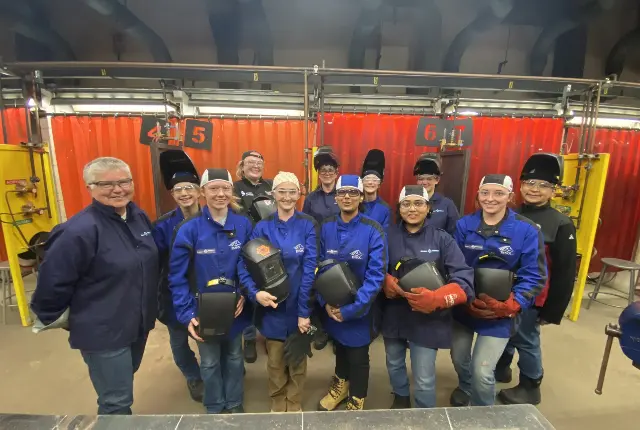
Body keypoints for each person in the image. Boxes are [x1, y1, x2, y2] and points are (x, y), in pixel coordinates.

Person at [30, 157, 159, 415]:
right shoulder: (79, 231)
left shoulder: (137, 216)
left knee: (124, 381)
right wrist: (72, 319)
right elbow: (51, 285)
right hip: (103, 331)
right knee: (116, 401)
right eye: (105, 184)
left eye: (124, 181)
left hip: (137, 324)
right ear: (89, 187)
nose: (118, 189)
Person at [449, 174, 547, 407]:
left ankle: (486, 415)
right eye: (485, 193)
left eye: (498, 193)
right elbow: (453, 265)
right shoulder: (464, 226)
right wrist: (464, 297)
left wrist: (514, 304)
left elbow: (535, 275)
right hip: (465, 307)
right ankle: (465, 386)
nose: (490, 199)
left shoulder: (527, 231)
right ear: (478, 194)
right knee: (459, 358)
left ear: (510, 197)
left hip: (500, 313)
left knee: (482, 371)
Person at [382, 185, 474, 409]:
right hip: (394, 313)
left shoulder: (442, 239)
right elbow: (370, 267)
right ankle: (401, 397)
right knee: (394, 363)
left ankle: (425, 414)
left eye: (418, 203)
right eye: (406, 204)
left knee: (423, 376)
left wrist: (438, 298)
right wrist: (382, 280)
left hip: (428, 318)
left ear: (428, 207)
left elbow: (463, 279)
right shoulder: (386, 236)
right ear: (399, 207)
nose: (412, 209)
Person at [169, 168, 253, 414]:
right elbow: (177, 277)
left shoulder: (243, 224)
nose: (220, 193)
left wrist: (244, 295)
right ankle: (215, 406)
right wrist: (186, 314)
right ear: (202, 192)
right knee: (209, 361)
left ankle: (235, 402)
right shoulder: (189, 230)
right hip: (202, 312)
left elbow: (251, 265)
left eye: (225, 188)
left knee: (235, 357)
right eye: (213, 188)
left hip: (236, 309)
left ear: (231, 191)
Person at [496, 154, 577, 405]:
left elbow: (565, 271)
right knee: (506, 332)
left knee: (526, 338)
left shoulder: (560, 224)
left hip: (533, 295)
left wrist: (553, 310)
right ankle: (502, 368)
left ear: (554, 190)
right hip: (503, 291)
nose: (535, 189)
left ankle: (531, 384)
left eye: (543, 185)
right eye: (530, 183)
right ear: (519, 186)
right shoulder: (509, 214)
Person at [241, 172, 318, 412]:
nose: (287, 196)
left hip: (298, 304)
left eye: (292, 191)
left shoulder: (307, 225)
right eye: (281, 191)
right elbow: (245, 265)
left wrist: (304, 311)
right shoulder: (262, 228)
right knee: (275, 361)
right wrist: (255, 294)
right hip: (271, 307)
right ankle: (277, 400)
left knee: (297, 359)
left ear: (299, 194)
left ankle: (293, 403)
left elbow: (309, 269)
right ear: (273, 194)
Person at [316, 175, 387, 412]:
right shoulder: (325, 227)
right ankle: (340, 387)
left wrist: (352, 309)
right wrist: (324, 303)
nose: (347, 197)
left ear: (360, 197)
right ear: (335, 197)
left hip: (360, 310)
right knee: (341, 349)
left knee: (357, 355)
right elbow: (316, 267)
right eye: (342, 192)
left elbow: (376, 276)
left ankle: (357, 396)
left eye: (352, 193)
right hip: (332, 307)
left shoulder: (372, 230)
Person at [152, 169, 203, 402]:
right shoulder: (163, 225)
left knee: (208, 338)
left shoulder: (213, 218)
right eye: (178, 190)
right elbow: (157, 262)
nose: (184, 193)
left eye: (189, 188)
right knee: (179, 340)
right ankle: (193, 375)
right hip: (175, 293)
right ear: (172, 194)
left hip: (205, 293)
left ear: (199, 191)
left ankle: (216, 369)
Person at [233, 150, 273, 363]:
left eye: (259, 162)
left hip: (268, 249)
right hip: (245, 247)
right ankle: (249, 338)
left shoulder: (269, 187)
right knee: (249, 292)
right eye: (251, 162)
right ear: (242, 165)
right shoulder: (235, 188)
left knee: (268, 290)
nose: (255, 166)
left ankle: (267, 334)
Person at [302, 146, 340, 350]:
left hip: (339, 249)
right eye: (323, 170)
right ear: (318, 173)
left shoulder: (343, 194)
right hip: (316, 249)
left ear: (337, 173)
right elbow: (305, 224)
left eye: (330, 170)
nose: (327, 173)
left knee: (337, 288)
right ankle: (321, 330)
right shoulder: (311, 198)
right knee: (316, 289)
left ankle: (336, 331)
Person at [414, 153, 459, 234]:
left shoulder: (447, 205)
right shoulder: (409, 202)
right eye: (421, 178)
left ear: (437, 180)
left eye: (429, 179)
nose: (424, 182)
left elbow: (454, 234)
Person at [361, 149, 391, 232]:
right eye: (367, 179)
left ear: (380, 183)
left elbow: (385, 234)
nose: (370, 182)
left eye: (375, 180)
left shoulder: (385, 209)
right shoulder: (355, 203)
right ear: (362, 182)